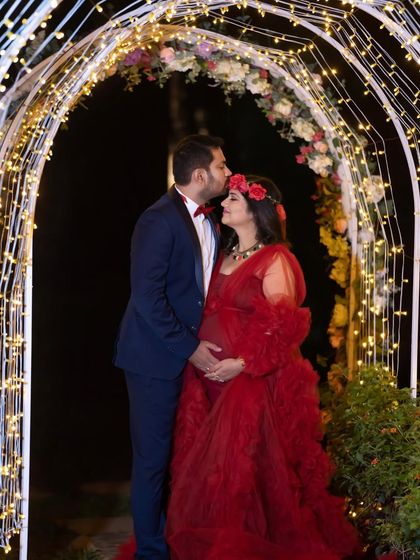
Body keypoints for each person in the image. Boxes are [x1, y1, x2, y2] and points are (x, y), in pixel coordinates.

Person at [166, 174, 359, 560]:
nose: (224, 204)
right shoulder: (223, 254)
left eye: (233, 199)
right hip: (209, 380)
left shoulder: (276, 259)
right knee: (210, 471)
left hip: (250, 382)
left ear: (257, 209)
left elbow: (283, 324)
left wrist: (242, 363)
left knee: (244, 471)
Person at [114, 134, 232, 560]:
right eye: (221, 165)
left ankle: (179, 536)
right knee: (152, 459)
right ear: (200, 175)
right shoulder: (157, 220)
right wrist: (190, 348)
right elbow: (147, 298)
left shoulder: (213, 221)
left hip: (190, 355)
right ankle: (150, 552)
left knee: (185, 454)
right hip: (153, 357)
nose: (227, 172)